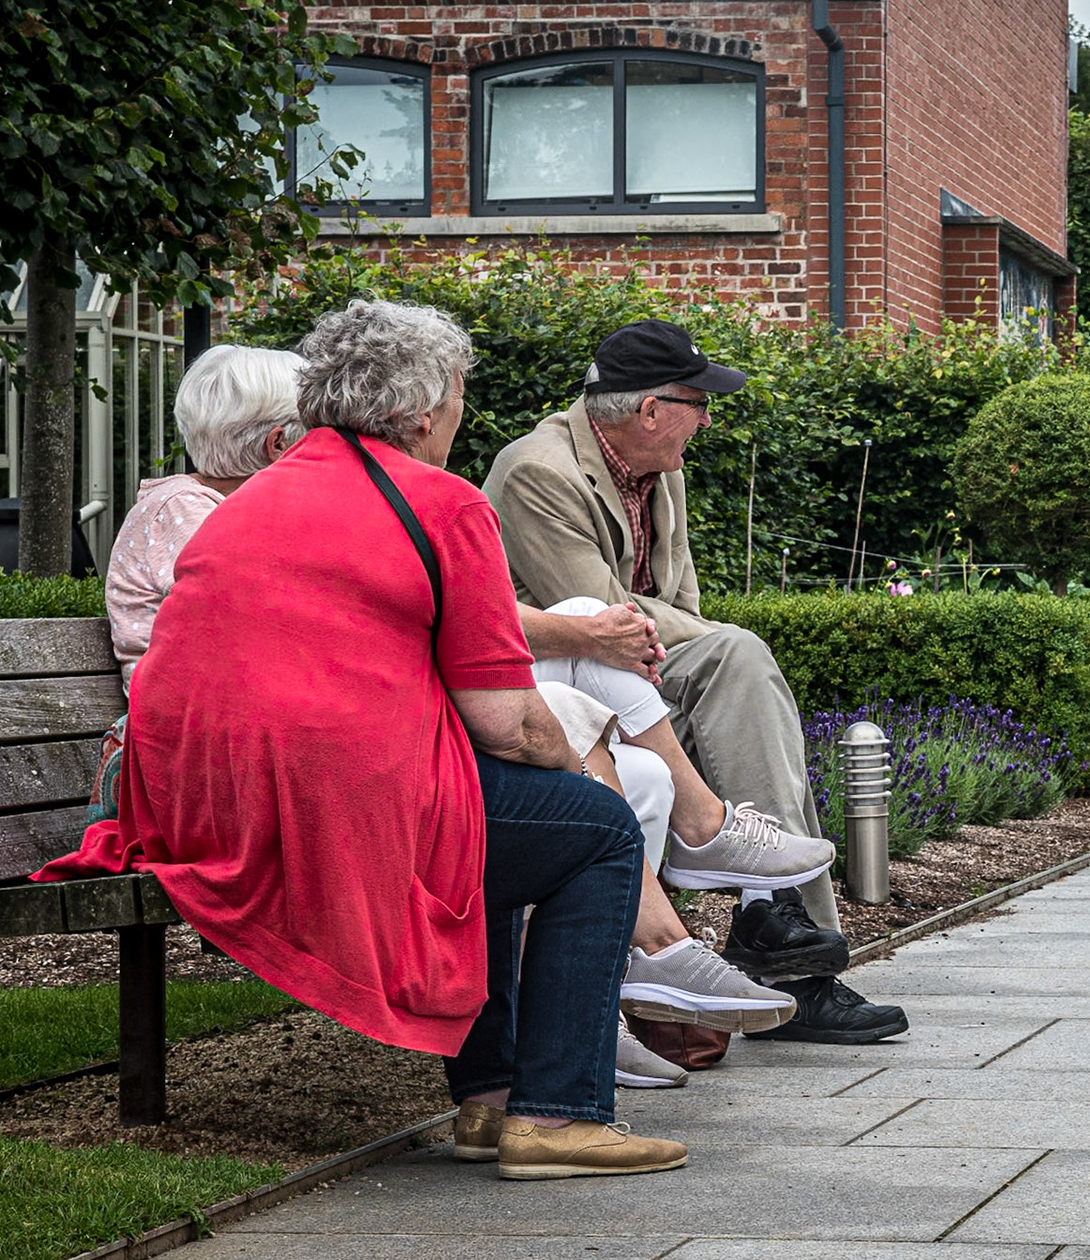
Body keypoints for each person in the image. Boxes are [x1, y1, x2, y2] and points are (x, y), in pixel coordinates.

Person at [37, 300, 687, 1179]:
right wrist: (582, 771)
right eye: (459, 394)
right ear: (425, 410)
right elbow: (507, 719)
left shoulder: (249, 497)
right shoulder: (442, 502)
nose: (460, 412)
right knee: (592, 830)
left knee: (493, 818)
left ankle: (491, 1100)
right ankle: (561, 1115)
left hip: (198, 805)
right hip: (322, 806)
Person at [484, 319, 908, 1044]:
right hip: (554, 684)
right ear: (650, 410)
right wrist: (709, 644)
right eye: (699, 401)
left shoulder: (662, 470)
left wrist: (699, 641)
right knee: (737, 655)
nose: (708, 419)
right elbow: (596, 616)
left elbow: (677, 608)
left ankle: (777, 933)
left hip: (635, 674)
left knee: (738, 665)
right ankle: (778, 934)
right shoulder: (537, 472)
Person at [105, 345, 306, 691]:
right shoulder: (181, 510)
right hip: (183, 718)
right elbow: (259, 615)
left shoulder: (216, 506)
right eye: (315, 434)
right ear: (278, 444)